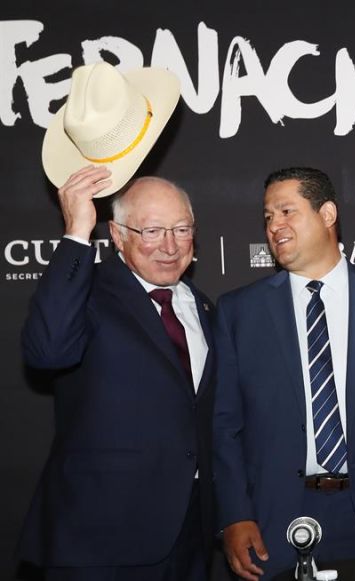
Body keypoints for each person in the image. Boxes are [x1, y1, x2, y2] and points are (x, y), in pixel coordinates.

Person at [213, 167, 355, 580]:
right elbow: (225, 427)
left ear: (327, 214)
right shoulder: (240, 312)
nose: (274, 226)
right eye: (267, 217)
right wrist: (234, 516)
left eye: (286, 211)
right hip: (275, 517)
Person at [17, 166, 216, 580]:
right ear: (118, 235)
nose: (170, 245)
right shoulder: (85, 292)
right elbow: (46, 351)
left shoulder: (202, 306)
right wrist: (76, 232)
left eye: (181, 229)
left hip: (190, 537)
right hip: (99, 542)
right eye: (152, 231)